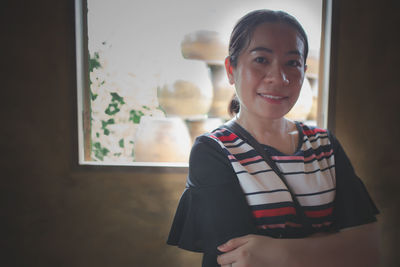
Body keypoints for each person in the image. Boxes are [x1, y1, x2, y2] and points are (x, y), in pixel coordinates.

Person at [167, 10, 379, 267]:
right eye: (261, 59)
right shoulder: (214, 150)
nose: (279, 78)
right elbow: (238, 259)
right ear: (231, 69)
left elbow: (369, 250)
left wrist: (278, 252)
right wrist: (331, 246)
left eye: (292, 63)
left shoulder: (324, 145)